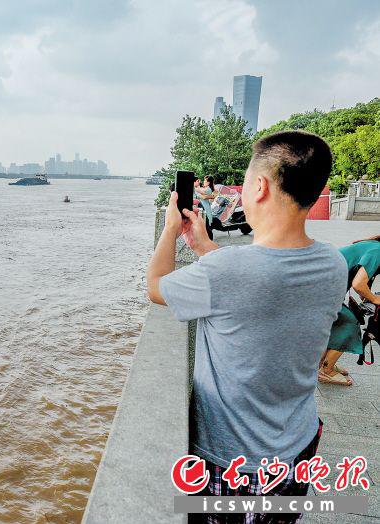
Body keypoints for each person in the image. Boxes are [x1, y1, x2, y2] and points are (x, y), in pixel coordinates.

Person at [147, 131, 346, 523]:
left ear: (258, 187)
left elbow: (156, 288)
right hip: (298, 446)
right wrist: (204, 247)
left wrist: (171, 230)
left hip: (235, 464)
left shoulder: (228, 271)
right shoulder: (333, 262)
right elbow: (263, 282)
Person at [319, 235, 380, 386]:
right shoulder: (378, 251)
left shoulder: (373, 246)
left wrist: (368, 297)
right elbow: (358, 284)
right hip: (320, 287)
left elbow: (361, 281)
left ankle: (323, 364)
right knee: (349, 323)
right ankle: (326, 371)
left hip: (320, 282)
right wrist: (375, 299)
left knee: (337, 322)